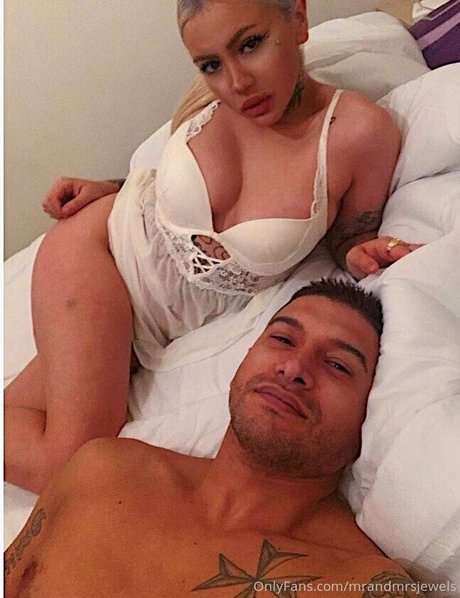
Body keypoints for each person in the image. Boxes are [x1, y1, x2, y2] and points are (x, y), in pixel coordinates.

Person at [5, 0, 420, 494]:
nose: (237, 82)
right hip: (102, 253)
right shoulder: (208, 104)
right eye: (210, 65)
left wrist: (362, 253)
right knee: (71, 462)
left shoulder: (360, 133)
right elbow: (163, 183)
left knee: (16, 414)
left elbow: (350, 237)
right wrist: (111, 186)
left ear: (298, 19)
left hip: (151, 321)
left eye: (250, 44)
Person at [4, 281, 425, 597]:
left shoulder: (358, 583)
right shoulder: (101, 470)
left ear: (369, 412)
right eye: (282, 339)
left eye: (338, 365)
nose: (294, 367)